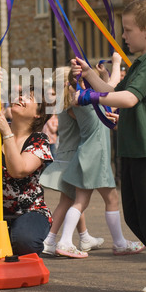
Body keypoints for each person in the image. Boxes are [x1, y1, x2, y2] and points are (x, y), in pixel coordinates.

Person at [71, 0, 146, 292]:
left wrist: (90, 96)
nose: (124, 36)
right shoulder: (141, 62)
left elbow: (129, 99)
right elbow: (113, 91)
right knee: (137, 218)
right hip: (136, 152)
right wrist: (88, 76)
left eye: (128, 30)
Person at [0, 67, 53, 257]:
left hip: (29, 210)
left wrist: (7, 133)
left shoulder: (39, 140)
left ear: (38, 114)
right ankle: (6, 235)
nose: (21, 98)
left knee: (25, 242)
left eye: (29, 98)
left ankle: (22, 235)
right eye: (21, 94)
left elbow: (18, 170)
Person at [41, 67, 104, 258]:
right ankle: (50, 240)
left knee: (73, 200)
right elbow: (89, 121)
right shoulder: (72, 105)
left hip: (65, 155)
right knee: (70, 201)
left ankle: (83, 237)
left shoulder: (62, 103)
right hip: (71, 157)